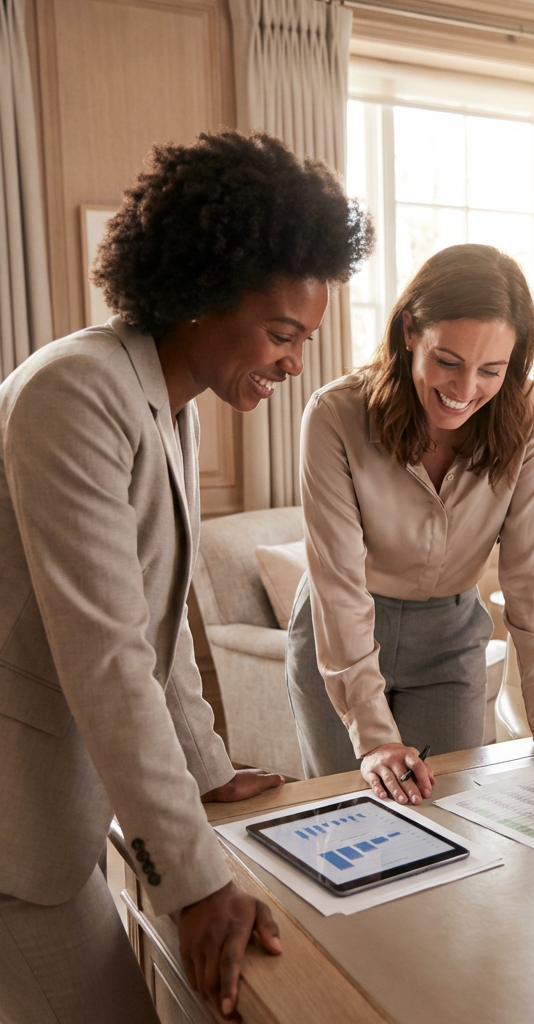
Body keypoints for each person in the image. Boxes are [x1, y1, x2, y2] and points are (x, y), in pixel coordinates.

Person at [0, 129, 372, 1024]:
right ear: (202, 293)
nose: (294, 361)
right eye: (282, 333)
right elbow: (107, 653)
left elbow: (158, 625)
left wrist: (207, 768)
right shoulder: (75, 391)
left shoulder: (167, 402)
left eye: (305, 338)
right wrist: (197, 882)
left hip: (62, 807)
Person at [287, 244, 534, 805]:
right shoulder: (334, 416)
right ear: (410, 331)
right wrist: (373, 737)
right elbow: (340, 587)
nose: (465, 390)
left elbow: (530, 569)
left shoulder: (531, 415)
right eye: (448, 361)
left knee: (454, 815)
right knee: (353, 815)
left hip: (450, 639)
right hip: (340, 632)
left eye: (491, 370)